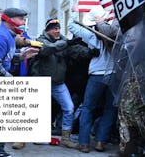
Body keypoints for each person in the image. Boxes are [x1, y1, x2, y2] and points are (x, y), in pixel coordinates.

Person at [28, 18, 100, 150]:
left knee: (69, 107)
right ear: (48, 30)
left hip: (58, 83)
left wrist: (89, 52)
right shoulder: (40, 40)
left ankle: (65, 138)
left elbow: (75, 50)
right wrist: (66, 43)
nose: (58, 31)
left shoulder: (63, 40)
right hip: (41, 81)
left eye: (59, 28)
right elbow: (46, 50)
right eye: (55, 28)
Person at [0, 7, 39, 157]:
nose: (23, 22)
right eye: (21, 19)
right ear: (9, 19)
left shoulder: (9, 35)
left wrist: (21, 56)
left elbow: (5, 57)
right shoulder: (0, 36)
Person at [68, 4, 119, 153]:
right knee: (110, 109)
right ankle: (100, 142)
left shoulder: (91, 35)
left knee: (88, 108)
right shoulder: (114, 32)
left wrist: (73, 13)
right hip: (113, 74)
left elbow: (71, 26)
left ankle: (84, 143)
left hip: (97, 74)